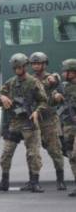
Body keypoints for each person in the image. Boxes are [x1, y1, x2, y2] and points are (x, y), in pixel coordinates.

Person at [0, 53, 47, 193]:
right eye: (15, 67)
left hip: (30, 123)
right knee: (6, 153)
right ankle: (4, 182)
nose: (17, 70)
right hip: (14, 123)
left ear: (25, 66)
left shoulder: (34, 82)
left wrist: (37, 111)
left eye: (20, 67)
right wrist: (2, 98)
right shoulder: (10, 83)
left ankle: (34, 182)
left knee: (33, 154)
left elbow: (44, 100)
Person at [24, 52, 66, 191]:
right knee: (32, 152)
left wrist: (56, 81)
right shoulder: (29, 80)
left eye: (38, 63)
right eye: (34, 63)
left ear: (44, 64)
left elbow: (59, 88)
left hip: (48, 119)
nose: (36, 66)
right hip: (33, 120)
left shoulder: (51, 79)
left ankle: (60, 180)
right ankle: (33, 180)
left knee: (55, 150)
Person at [53, 58, 76, 197]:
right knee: (72, 157)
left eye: (66, 71)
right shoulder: (64, 87)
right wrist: (55, 95)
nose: (64, 73)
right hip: (68, 126)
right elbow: (51, 99)